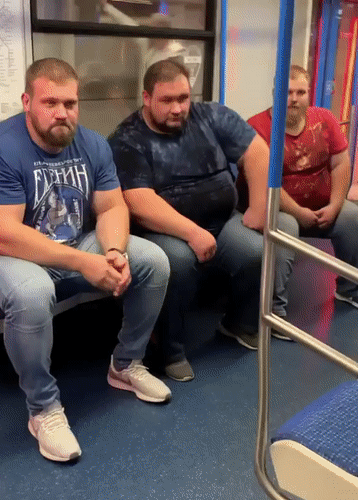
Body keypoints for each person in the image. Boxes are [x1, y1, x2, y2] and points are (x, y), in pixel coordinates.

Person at [0, 58, 172, 463]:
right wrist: (83, 263)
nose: (62, 113)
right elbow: (3, 233)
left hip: (75, 242)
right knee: (32, 293)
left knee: (153, 260)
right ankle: (43, 409)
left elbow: (112, 207)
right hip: (10, 254)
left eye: (70, 103)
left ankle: (125, 364)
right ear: (27, 102)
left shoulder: (93, 144)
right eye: (50, 103)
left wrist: (113, 251)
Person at [108, 59, 293, 383]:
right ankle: (170, 351)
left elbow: (258, 151)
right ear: (147, 98)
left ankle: (239, 324)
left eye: (183, 98)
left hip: (222, 219)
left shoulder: (212, 116)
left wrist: (258, 207)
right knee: (176, 261)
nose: (178, 108)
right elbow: (138, 201)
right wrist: (192, 232)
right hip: (164, 230)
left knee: (256, 248)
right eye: (167, 100)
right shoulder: (128, 138)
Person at [238, 64, 358, 318]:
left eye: (300, 92)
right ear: (275, 93)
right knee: (285, 227)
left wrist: (335, 205)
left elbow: (340, 163)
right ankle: (274, 309)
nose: (293, 99)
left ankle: (350, 289)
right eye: (287, 92)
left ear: (309, 93)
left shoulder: (324, 119)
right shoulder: (257, 127)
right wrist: (299, 212)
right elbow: (266, 181)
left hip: (321, 205)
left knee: (351, 216)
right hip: (276, 207)